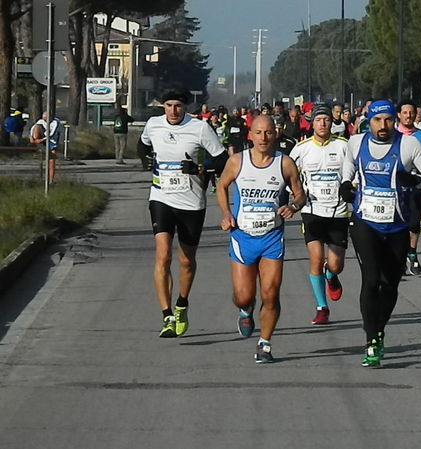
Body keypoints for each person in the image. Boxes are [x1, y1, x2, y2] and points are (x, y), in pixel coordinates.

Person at [340, 100, 421, 367]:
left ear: (394, 119)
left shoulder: (409, 145)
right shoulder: (356, 142)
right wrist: (346, 183)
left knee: (390, 285)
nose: (382, 126)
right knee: (371, 280)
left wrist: (416, 181)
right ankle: (372, 339)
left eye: (387, 120)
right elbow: (349, 163)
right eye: (377, 120)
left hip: (396, 226)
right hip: (365, 223)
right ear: (368, 121)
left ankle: (379, 328)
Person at [137, 88, 228, 338]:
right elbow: (142, 146)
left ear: (185, 107)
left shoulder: (199, 128)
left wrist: (199, 167)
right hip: (161, 197)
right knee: (163, 255)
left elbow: (221, 161)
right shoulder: (153, 125)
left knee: (186, 260)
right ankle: (166, 315)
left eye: (178, 105)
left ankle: (181, 304)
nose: (173, 111)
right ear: (162, 106)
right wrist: (145, 160)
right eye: (169, 105)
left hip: (191, 202)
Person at [216, 115, 305, 363]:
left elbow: (300, 194)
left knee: (271, 294)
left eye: (268, 133)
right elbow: (221, 186)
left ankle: (264, 343)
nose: (263, 138)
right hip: (243, 237)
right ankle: (246, 310)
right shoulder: (237, 161)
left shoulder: (285, 164)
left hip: (271, 237)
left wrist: (294, 207)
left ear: (275, 134)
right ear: (250, 135)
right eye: (258, 133)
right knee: (244, 295)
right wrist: (226, 214)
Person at [290, 104, 349, 325]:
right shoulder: (301, 149)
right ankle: (321, 307)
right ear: (311, 123)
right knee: (315, 258)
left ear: (331, 122)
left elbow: (352, 173)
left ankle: (331, 276)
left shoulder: (343, 146)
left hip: (337, 211)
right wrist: (295, 195)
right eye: (318, 120)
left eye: (326, 119)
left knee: (335, 264)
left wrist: (349, 187)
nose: (322, 123)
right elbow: (290, 176)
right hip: (312, 211)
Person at [395, 99, 421, 275]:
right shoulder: (392, 134)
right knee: (399, 224)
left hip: (417, 185)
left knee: (414, 223)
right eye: (405, 112)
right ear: (399, 115)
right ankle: (399, 257)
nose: (409, 116)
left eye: (412, 112)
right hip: (396, 187)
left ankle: (412, 252)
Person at [29, 111, 60, 184]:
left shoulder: (56, 122)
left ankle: (51, 180)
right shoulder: (41, 121)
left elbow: (52, 134)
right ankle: (35, 144)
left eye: (46, 119)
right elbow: (33, 127)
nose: (44, 121)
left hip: (52, 141)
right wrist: (31, 136)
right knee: (37, 127)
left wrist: (41, 140)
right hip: (43, 139)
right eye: (44, 119)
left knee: (51, 161)